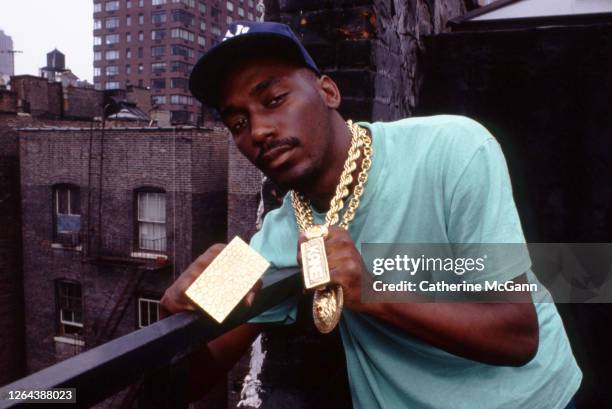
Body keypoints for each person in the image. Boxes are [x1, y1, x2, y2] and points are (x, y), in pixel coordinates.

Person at [161, 21, 582, 408]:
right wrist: (175, 319)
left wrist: (372, 293)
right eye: (237, 124)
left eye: (273, 99)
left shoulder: (453, 149)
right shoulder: (276, 234)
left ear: (328, 92)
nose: (258, 131)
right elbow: (190, 379)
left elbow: (519, 335)